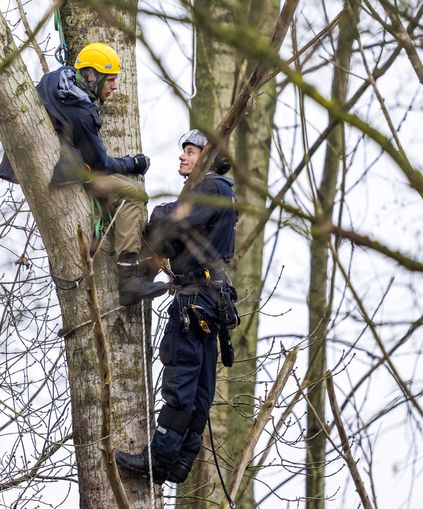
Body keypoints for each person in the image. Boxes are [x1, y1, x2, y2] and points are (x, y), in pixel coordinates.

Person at [0, 42, 167, 306]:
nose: (114, 86)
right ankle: (128, 279)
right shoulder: (81, 112)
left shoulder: (56, 78)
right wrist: (133, 163)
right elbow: (100, 163)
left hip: (39, 163)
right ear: (91, 76)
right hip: (61, 170)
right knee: (133, 194)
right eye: (110, 80)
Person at [115, 129, 239, 484]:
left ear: (208, 157)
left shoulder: (212, 188)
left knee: (182, 377)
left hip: (197, 299)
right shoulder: (218, 193)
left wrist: (157, 215)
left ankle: (159, 459)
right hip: (210, 298)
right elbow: (176, 240)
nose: (182, 157)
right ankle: (182, 460)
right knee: (200, 384)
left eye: (190, 151)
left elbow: (172, 220)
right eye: (182, 151)